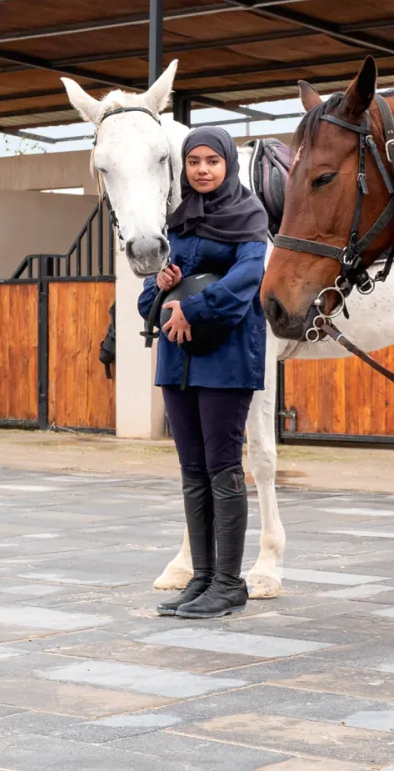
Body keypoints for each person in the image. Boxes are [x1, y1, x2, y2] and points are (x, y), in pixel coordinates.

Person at [138, 127, 269, 620]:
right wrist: (161, 284)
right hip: (177, 361)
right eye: (193, 161)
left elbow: (247, 280)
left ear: (228, 164)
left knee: (222, 466)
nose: (202, 169)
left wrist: (194, 306)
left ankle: (230, 583)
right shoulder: (179, 221)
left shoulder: (249, 216)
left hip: (226, 359)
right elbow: (147, 304)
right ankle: (203, 578)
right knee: (192, 470)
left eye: (212, 160)